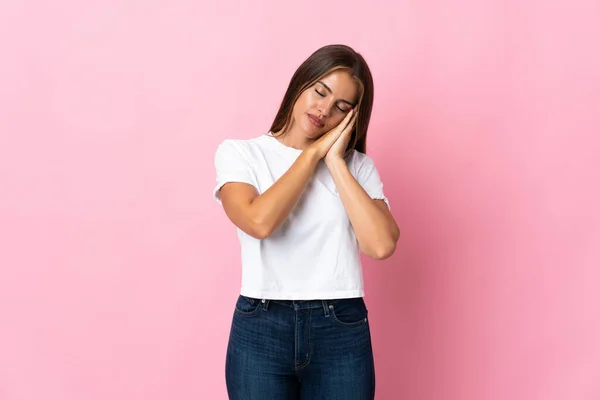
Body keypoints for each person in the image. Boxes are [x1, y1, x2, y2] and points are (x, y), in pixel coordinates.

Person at [213, 44, 399, 400]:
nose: (324, 110)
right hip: (262, 323)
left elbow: (380, 245)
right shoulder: (241, 153)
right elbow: (259, 221)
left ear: (351, 117)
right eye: (320, 92)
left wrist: (336, 163)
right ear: (302, 82)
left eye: (341, 107)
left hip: (341, 325)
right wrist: (312, 153)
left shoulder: (358, 167)